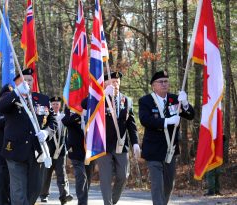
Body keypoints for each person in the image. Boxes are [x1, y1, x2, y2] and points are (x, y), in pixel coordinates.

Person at [0, 68, 56, 205]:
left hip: (36, 150)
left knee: (35, 188)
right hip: (15, 149)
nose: (27, 82)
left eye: (30, 80)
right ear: (17, 83)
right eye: (24, 80)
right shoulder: (10, 98)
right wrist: (16, 92)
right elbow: (0, 107)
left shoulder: (42, 99)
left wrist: (47, 132)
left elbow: (53, 121)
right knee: (18, 189)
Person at [139, 70, 194, 205]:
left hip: (170, 150)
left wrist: (185, 103)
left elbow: (191, 115)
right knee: (157, 185)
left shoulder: (175, 100)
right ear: (153, 85)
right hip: (153, 150)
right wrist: (167, 121)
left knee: (169, 185)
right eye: (160, 82)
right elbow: (145, 120)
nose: (164, 84)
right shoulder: (146, 101)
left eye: (166, 81)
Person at [96, 72, 140, 205]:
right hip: (103, 145)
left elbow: (131, 125)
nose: (115, 84)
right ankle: (107, 203)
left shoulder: (127, 101)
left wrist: (135, 143)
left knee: (123, 176)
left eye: (117, 81)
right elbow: (86, 105)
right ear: (105, 84)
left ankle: (112, 200)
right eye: (111, 82)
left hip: (121, 145)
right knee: (106, 178)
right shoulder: (98, 99)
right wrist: (103, 95)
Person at [40, 96, 73, 204]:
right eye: (53, 104)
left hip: (61, 151)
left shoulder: (63, 117)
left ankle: (64, 196)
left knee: (61, 174)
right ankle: (44, 195)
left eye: (57, 104)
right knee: (46, 174)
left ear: (60, 105)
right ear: (50, 105)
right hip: (48, 150)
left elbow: (68, 129)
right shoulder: (46, 117)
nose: (55, 106)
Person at [62, 108, 93, 205]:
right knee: (81, 176)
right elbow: (66, 121)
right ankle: (82, 202)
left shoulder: (92, 104)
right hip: (75, 149)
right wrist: (79, 114)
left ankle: (83, 200)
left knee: (88, 177)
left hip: (90, 148)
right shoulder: (71, 107)